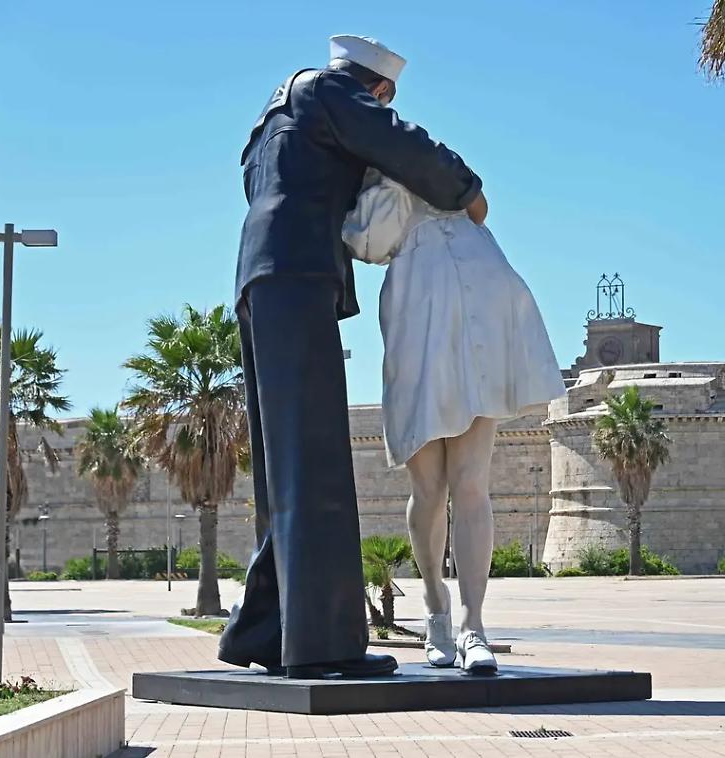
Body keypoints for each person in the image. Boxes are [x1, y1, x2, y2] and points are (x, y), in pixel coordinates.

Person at [219, 35, 488, 679]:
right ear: (378, 87)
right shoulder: (327, 90)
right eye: (384, 97)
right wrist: (466, 189)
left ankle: (266, 631)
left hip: (260, 278)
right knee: (315, 464)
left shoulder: (271, 119)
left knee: (282, 470)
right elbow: (402, 143)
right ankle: (324, 645)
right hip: (300, 276)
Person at [343, 171, 566, 672]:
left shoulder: (441, 164)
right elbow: (368, 243)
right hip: (419, 319)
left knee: (471, 484)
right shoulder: (375, 180)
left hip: (479, 310)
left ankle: (473, 625)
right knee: (428, 489)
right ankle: (434, 604)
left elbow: (480, 206)